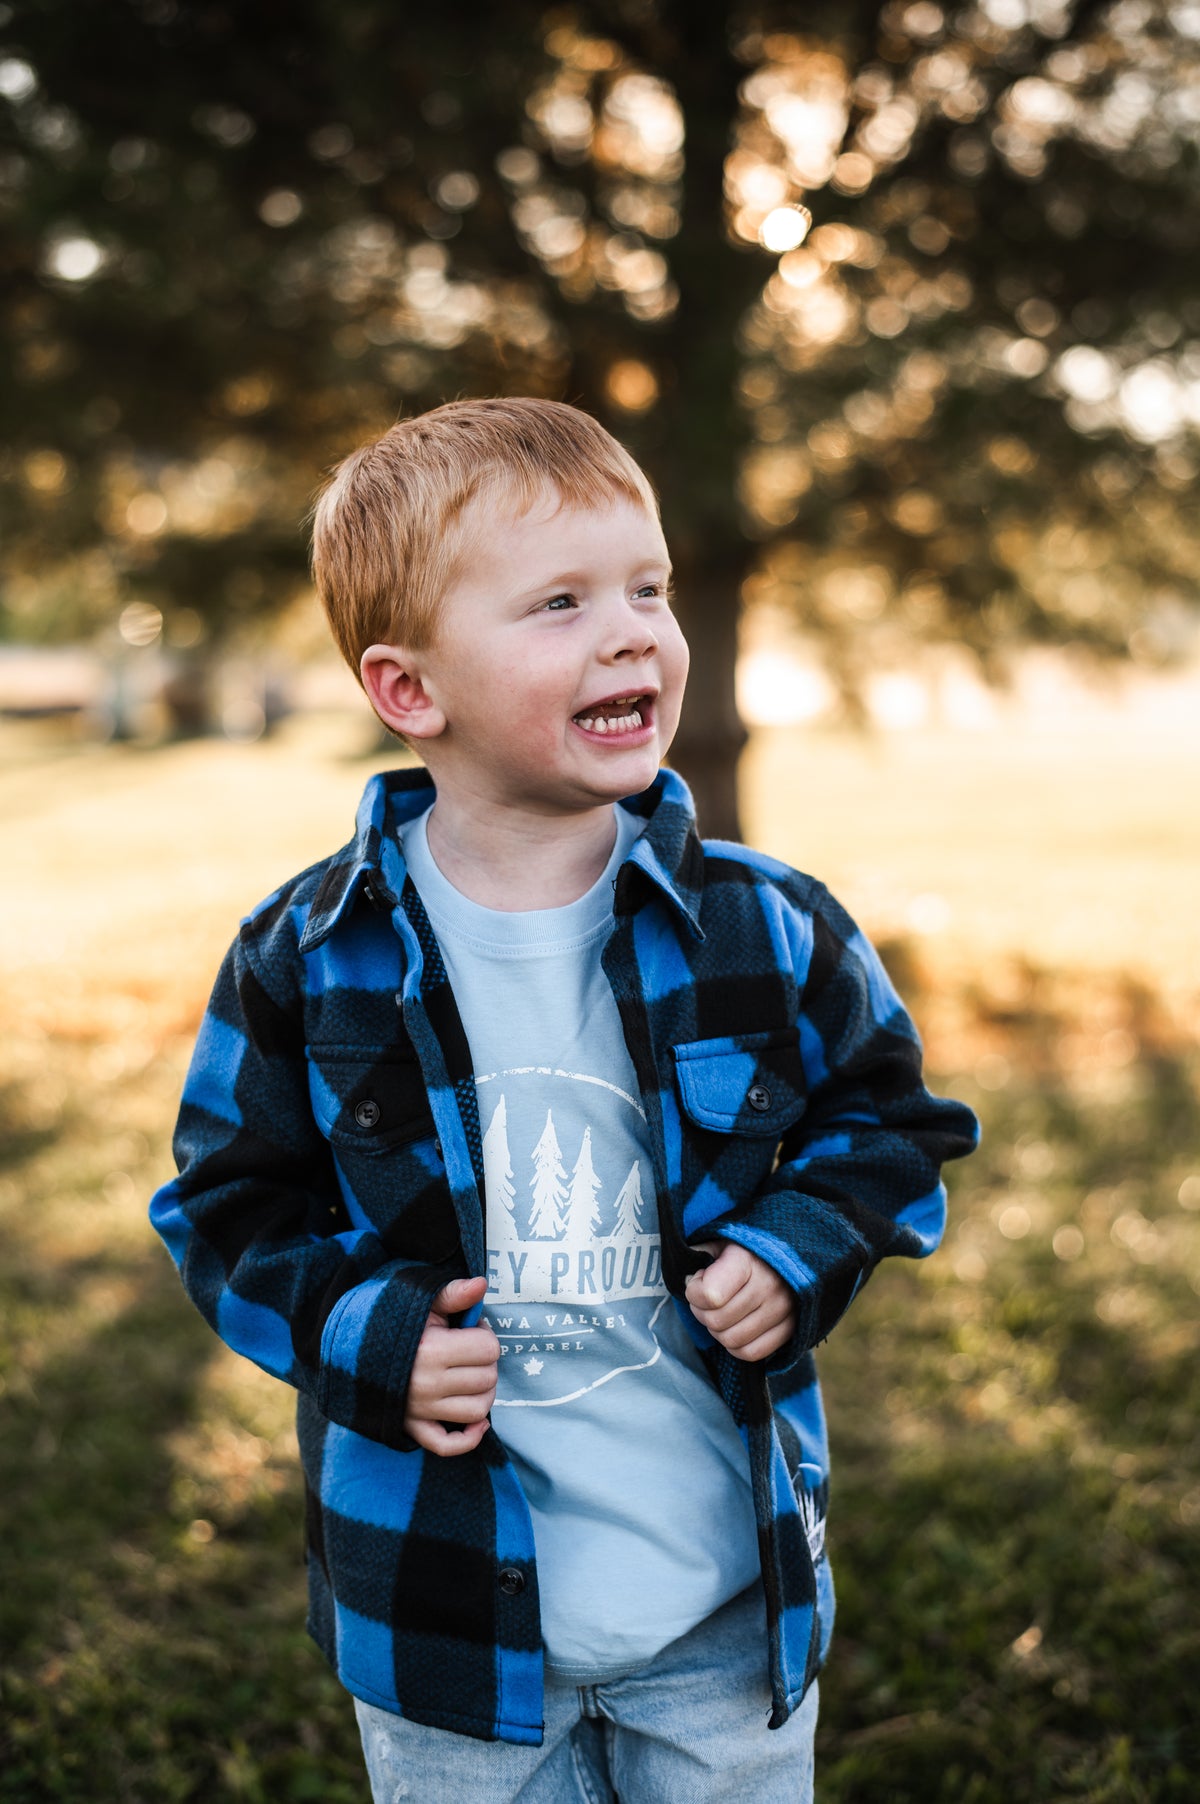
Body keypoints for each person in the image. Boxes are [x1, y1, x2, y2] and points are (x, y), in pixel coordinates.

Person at [150, 397, 978, 1802]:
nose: (632, 632)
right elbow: (228, 1207)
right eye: (560, 602)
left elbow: (898, 1126)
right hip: (449, 1623)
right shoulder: (308, 954)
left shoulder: (766, 926)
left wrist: (799, 1246)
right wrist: (368, 1334)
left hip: (721, 1596)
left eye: (648, 587)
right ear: (411, 691)